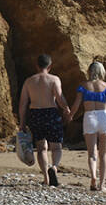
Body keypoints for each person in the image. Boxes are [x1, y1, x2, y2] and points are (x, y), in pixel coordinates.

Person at [68, 62, 106, 192]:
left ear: (89, 71)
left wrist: (70, 116)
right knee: (103, 154)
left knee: (92, 153)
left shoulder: (83, 86)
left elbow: (76, 104)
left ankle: (93, 177)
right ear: (102, 72)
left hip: (89, 117)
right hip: (103, 117)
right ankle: (101, 184)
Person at [18, 54, 71, 186]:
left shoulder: (29, 81)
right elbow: (59, 97)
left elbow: (23, 104)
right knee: (56, 147)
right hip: (51, 113)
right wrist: (66, 108)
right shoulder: (54, 79)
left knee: (41, 148)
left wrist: (22, 123)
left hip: (35, 114)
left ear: (37, 66)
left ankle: (46, 178)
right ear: (50, 66)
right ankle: (54, 167)